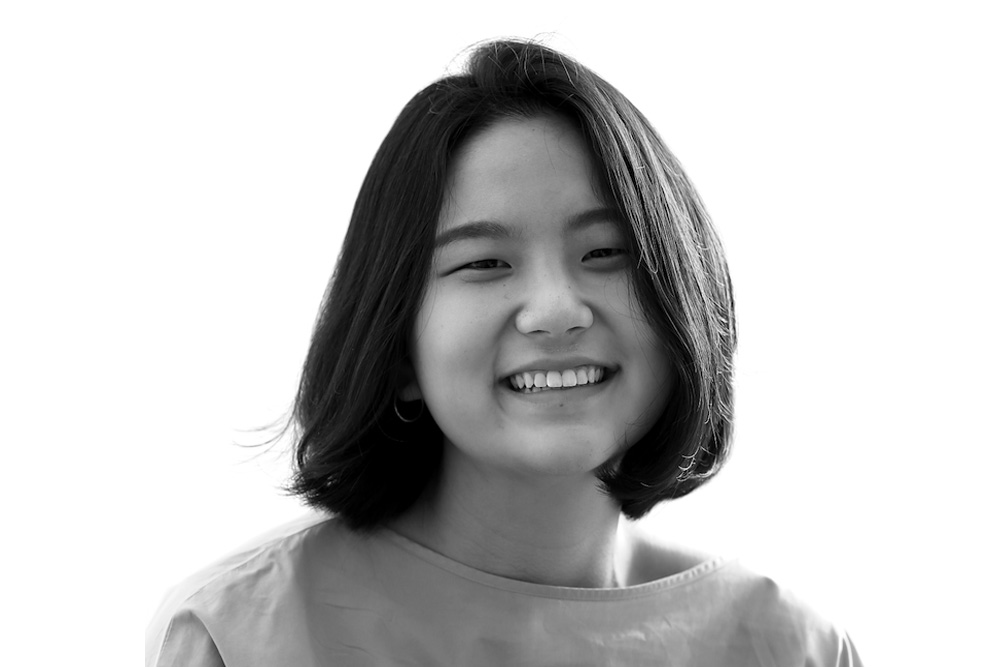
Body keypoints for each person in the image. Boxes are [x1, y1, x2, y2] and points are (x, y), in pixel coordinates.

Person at [146, 39, 862, 666]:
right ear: (395, 347)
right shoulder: (239, 638)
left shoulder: (793, 646)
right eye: (484, 263)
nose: (556, 308)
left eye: (605, 252)